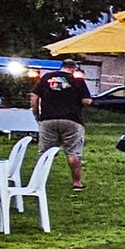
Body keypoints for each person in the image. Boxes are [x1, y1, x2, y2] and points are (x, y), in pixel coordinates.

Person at [32, 59, 93, 190]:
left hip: (48, 119)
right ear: (74, 68)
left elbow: (34, 97)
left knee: (44, 152)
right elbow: (87, 101)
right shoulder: (77, 81)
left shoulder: (46, 77)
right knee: (73, 152)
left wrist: (37, 114)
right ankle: (77, 183)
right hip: (71, 120)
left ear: (62, 66)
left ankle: (37, 181)